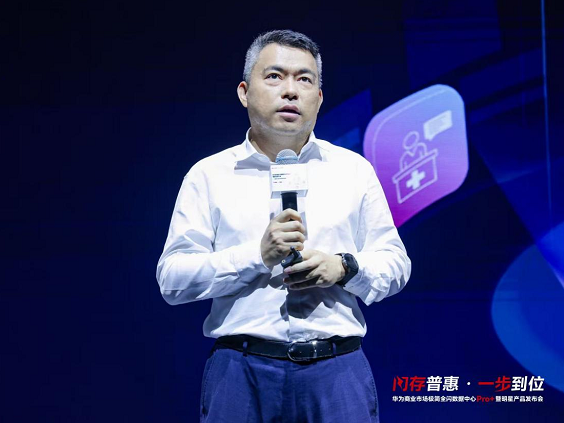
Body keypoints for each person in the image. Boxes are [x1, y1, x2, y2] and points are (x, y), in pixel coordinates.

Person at [157, 30, 411, 423]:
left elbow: (395, 264)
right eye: (275, 76)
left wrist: (344, 267)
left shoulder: (353, 171)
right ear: (244, 92)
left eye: (304, 79)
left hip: (336, 370)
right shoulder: (208, 175)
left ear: (319, 98)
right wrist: (256, 256)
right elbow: (173, 280)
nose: (290, 91)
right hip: (240, 371)